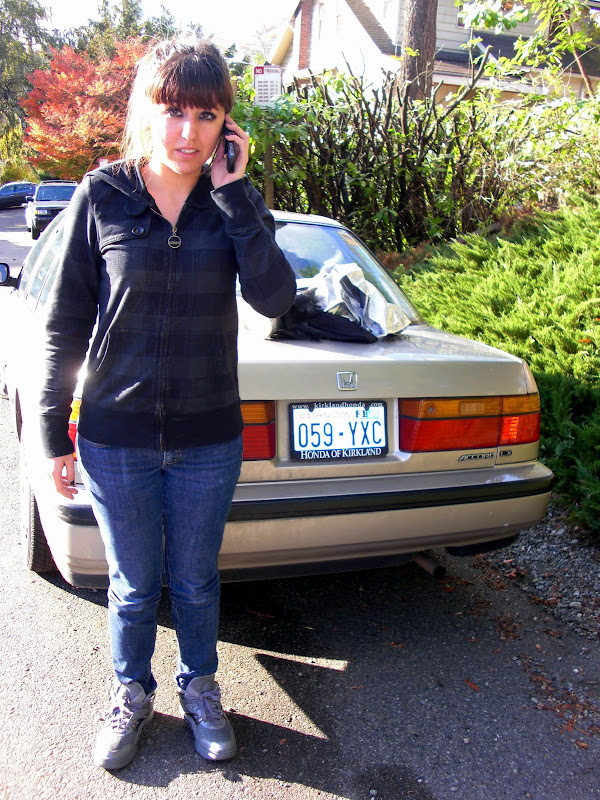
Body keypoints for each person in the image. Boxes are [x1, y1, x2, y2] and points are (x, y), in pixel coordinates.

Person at [39, 36, 296, 770]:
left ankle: (200, 688)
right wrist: (55, 434)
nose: (188, 132)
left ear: (226, 126)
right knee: (132, 585)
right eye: (174, 111)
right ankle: (130, 692)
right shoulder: (104, 195)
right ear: (147, 112)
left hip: (208, 437)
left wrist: (236, 195)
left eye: (206, 115)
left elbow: (276, 296)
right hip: (115, 436)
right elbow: (64, 322)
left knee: (195, 580)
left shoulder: (232, 203)